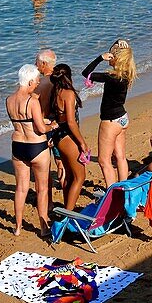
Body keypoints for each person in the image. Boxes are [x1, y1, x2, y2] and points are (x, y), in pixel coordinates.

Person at [6, 64, 55, 237]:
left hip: (18, 146)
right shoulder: (32, 101)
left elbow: (22, 122)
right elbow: (40, 128)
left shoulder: (9, 100)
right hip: (36, 146)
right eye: (36, 82)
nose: (37, 84)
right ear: (30, 81)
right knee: (41, 189)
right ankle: (43, 227)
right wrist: (53, 125)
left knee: (21, 189)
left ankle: (18, 227)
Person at [82, 40, 135, 186]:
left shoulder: (111, 77)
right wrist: (118, 42)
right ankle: (124, 188)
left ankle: (111, 192)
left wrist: (100, 57)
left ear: (115, 57)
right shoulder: (127, 73)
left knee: (104, 160)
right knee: (120, 157)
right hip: (123, 118)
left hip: (111, 122)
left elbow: (86, 73)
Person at [48, 64, 89, 210]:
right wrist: (82, 142)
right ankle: (68, 214)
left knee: (69, 177)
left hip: (59, 136)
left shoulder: (55, 91)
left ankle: (67, 206)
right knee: (80, 177)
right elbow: (71, 122)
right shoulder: (68, 94)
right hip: (68, 136)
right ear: (69, 76)